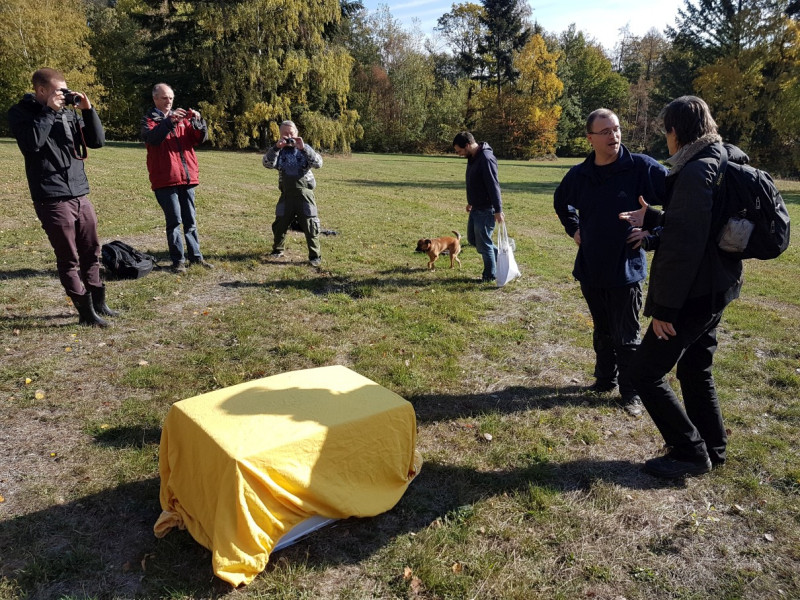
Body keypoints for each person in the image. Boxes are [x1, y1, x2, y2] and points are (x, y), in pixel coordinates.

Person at [620, 96, 744, 478]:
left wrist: (665, 310)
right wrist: (655, 217)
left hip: (695, 292)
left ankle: (690, 453)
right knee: (694, 368)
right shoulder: (722, 158)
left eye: (666, 131)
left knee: (643, 373)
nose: (666, 139)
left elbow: (683, 248)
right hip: (718, 285)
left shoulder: (694, 171)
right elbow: (699, 226)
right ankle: (714, 448)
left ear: (675, 131)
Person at [554, 109, 667, 416]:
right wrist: (574, 229)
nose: (613, 136)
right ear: (590, 138)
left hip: (625, 269)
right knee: (602, 330)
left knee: (626, 336)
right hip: (591, 268)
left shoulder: (641, 167)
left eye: (616, 129)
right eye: (605, 132)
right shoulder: (580, 175)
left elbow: (680, 199)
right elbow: (561, 201)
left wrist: (652, 231)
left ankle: (631, 393)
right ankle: (605, 380)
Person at [8, 67, 117, 327]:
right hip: (51, 196)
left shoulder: (68, 113)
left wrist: (88, 111)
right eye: (59, 91)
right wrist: (49, 111)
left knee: (91, 251)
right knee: (68, 257)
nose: (64, 95)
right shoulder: (21, 112)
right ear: (41, 90)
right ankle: (85, 313)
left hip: (79, 192)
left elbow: (97, 141)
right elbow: (32, 143)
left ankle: (98, 302)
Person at [141, 83, 212, 273]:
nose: (169, 101)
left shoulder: (182, 119)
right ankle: (178, 261)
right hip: (165, 178)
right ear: (155, 99)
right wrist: (169, 122)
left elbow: (198, 139)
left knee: (190, 221)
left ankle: (196, 257)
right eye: (164, 98)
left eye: (171, 98)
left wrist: (198, 122)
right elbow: (152, 139)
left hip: (187, 176)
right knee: (174, 221)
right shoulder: (149, 119)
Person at [262, 120, 324, 267]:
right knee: (280, 223)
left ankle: (315, 256)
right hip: (287, 195)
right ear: (280, 135)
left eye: (291, 133)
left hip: (305, 196)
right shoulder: (278, 151)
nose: (289, 137)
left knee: (311, 225)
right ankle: (277, 250)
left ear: (297, 133)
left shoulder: (304, 149)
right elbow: (266, 163)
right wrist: (276, 147)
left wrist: (304, 148)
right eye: (285, 134)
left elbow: (318, 164)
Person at [452, 132, 505, 283]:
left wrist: (498, 210)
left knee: (484, 243)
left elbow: (493, 185)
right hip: (476, 207)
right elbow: (474, 182)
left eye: (460, 151)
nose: (459, 154)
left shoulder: (486, 159)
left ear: (467, 145)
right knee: (474, 239)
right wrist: (471, 201)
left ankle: (489, 276)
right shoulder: (473, 157)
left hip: (486, 209)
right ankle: (502, 258)